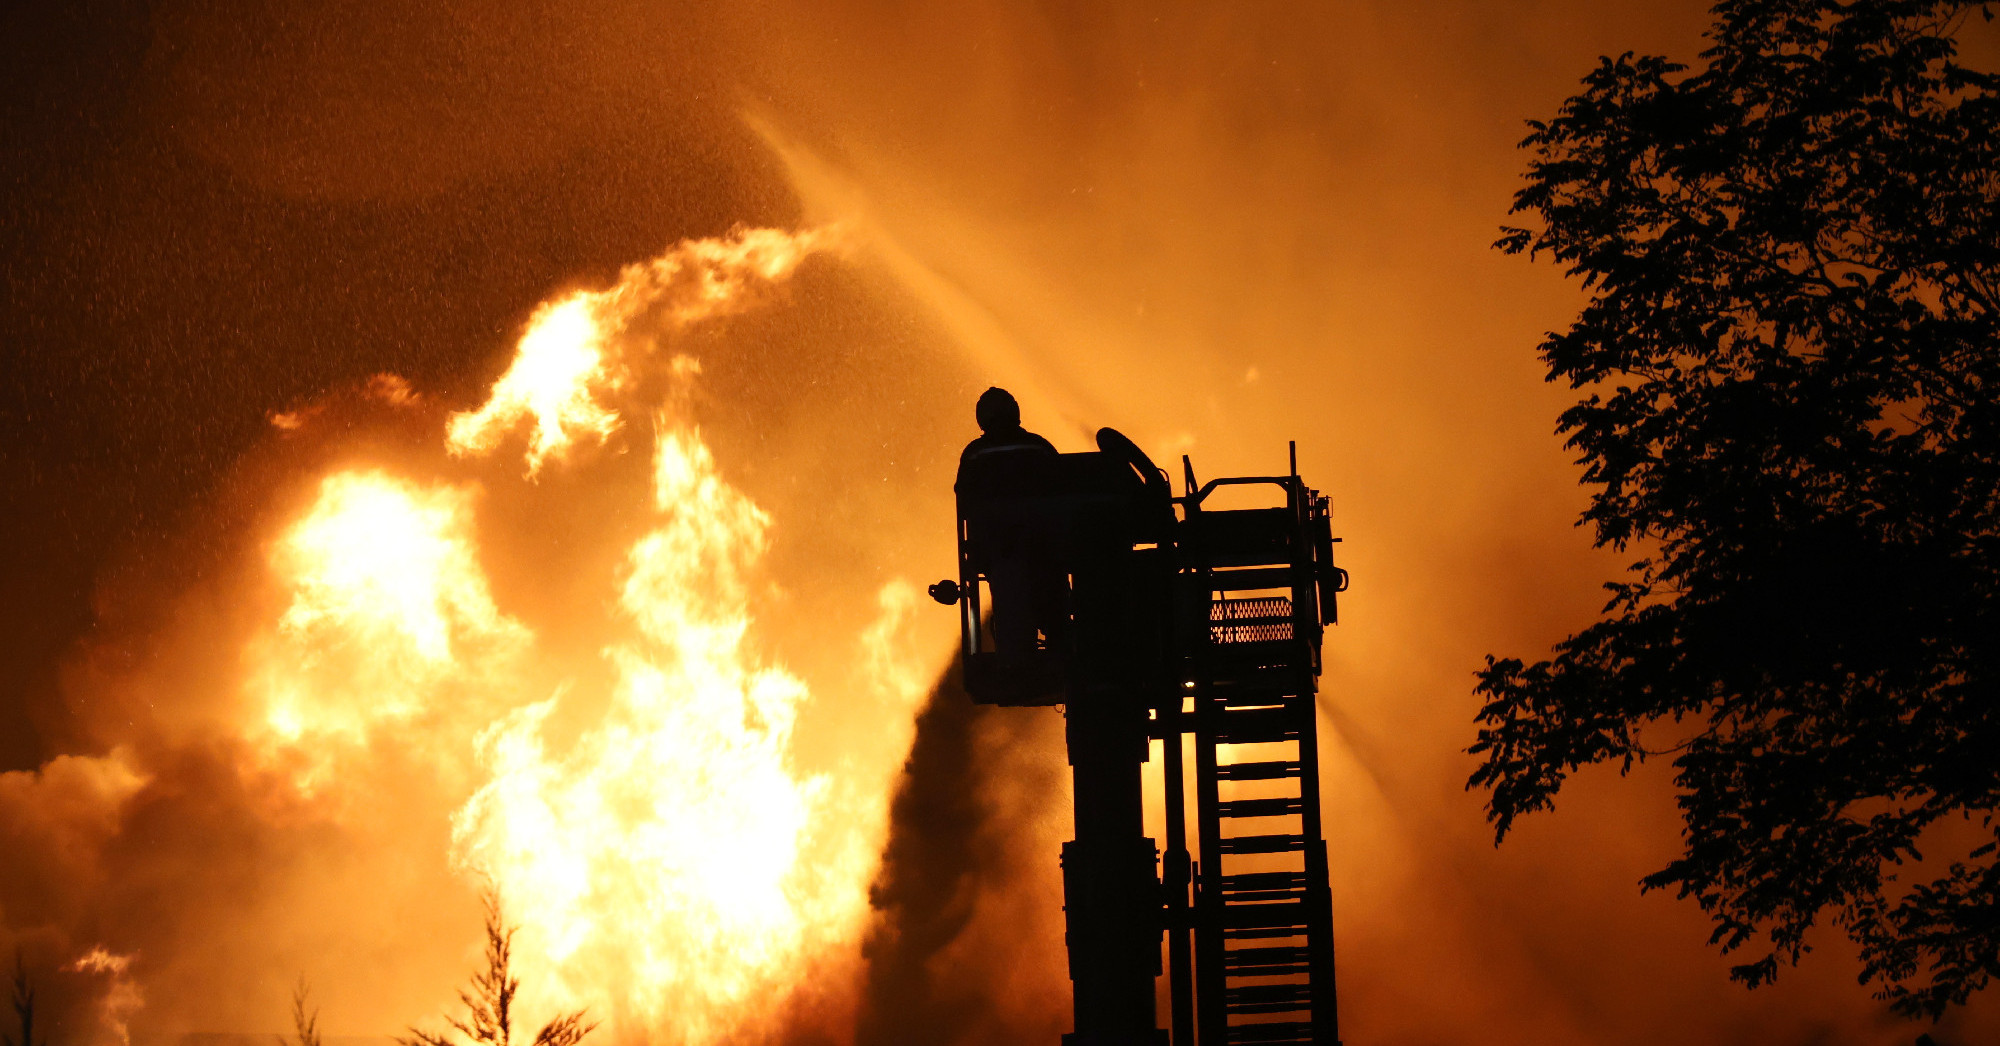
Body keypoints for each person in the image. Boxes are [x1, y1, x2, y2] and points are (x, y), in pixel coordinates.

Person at [955, 387, 1068, 656]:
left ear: (982, 419)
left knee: (1010, 611)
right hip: (1045, 547)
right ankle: (1061, 646)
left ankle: (1016, 659)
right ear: (1015, 411)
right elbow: (1064, 486)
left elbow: (964, 498)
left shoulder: (974, 454)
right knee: (1054, 606)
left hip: (997, 551)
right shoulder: (1039, 447)